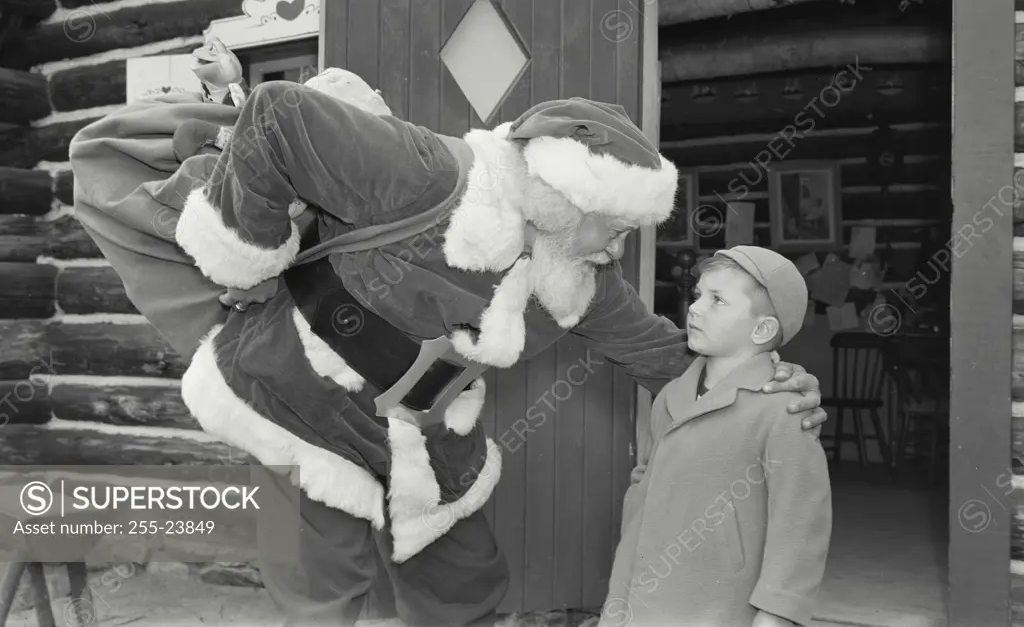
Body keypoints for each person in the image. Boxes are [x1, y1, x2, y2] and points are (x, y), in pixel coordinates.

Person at [69, 49, 829, 627]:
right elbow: (279, 116)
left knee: (464, 583)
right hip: (303, 386)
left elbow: (662, 355)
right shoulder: (437, 173)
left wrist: (767, 378)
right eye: (619, 223)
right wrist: (246, 252)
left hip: (425, 431)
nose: (622, 245)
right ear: (571, 193)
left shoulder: (580, 274)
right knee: (320, 582)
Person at [600, 246, 832, 627]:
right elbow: (643, 488)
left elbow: (801, 521)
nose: (694, 308)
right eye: (698, 296)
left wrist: (778, 613)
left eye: (718, 300)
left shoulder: (784, 411)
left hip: (722, 608)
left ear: (763, 330)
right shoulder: (670, 398)